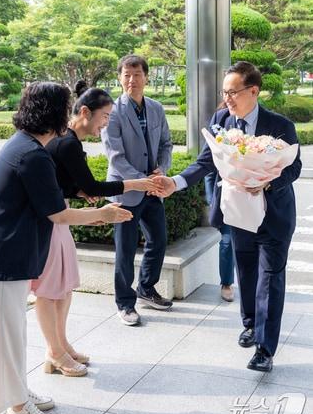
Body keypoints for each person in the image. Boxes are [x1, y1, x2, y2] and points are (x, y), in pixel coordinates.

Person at [0, 82, 132, 414]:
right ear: (54, 114)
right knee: (8, 335)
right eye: (66, 108)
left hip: (9, 254)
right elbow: (57, 213)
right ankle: (16, 408)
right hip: (3, 256)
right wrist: (103, 213)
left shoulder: (28, 148)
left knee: (13, 332)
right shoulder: (31, 155)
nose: (70, 113)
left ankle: (18, 392)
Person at [153, 61, 302, 372]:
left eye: (232, 92)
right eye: (225, 93)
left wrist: (268, 181)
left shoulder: (280, 125)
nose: (227, 99)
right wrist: (176, 182)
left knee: (270, 279)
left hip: (273, 215)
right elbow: (206, 161)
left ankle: (265, 348)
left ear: (253, 91)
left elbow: (294, 167)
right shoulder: (222, 119)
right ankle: (250, 324)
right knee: (246, 273)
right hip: (237, 214)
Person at [31, 83, 156, 375]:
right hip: (52, 221)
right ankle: (54, 352)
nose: (106, 123)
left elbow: (67, 184)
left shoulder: (67, 141)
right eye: (105, 116)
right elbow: (90, 186)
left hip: (59, 218)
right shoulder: (68, 142)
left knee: (63, 286)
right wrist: (135, 183)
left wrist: (79, 192)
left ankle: (61, 347)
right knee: (50, 291)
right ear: (84, 112)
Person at [101, 54, 173, 326]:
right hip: (127, 191)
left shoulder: (156, 108)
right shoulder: (113, 112)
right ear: (120, 78)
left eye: (137, 74)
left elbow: (166, 144)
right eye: (126, 75)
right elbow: (115, 156)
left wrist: (161, 171)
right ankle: (125, 302)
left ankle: (146, 287)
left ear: (147, 76)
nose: (132, 80)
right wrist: (141, 180)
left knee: (158, 240)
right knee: (126, 250)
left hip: (153, 188)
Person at [204, 171, 235, 302]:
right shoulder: (216, 149)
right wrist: (212, 201)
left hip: (253, 201)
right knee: (227, 243)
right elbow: (209, 174)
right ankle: (226, 283)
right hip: (226, 205)